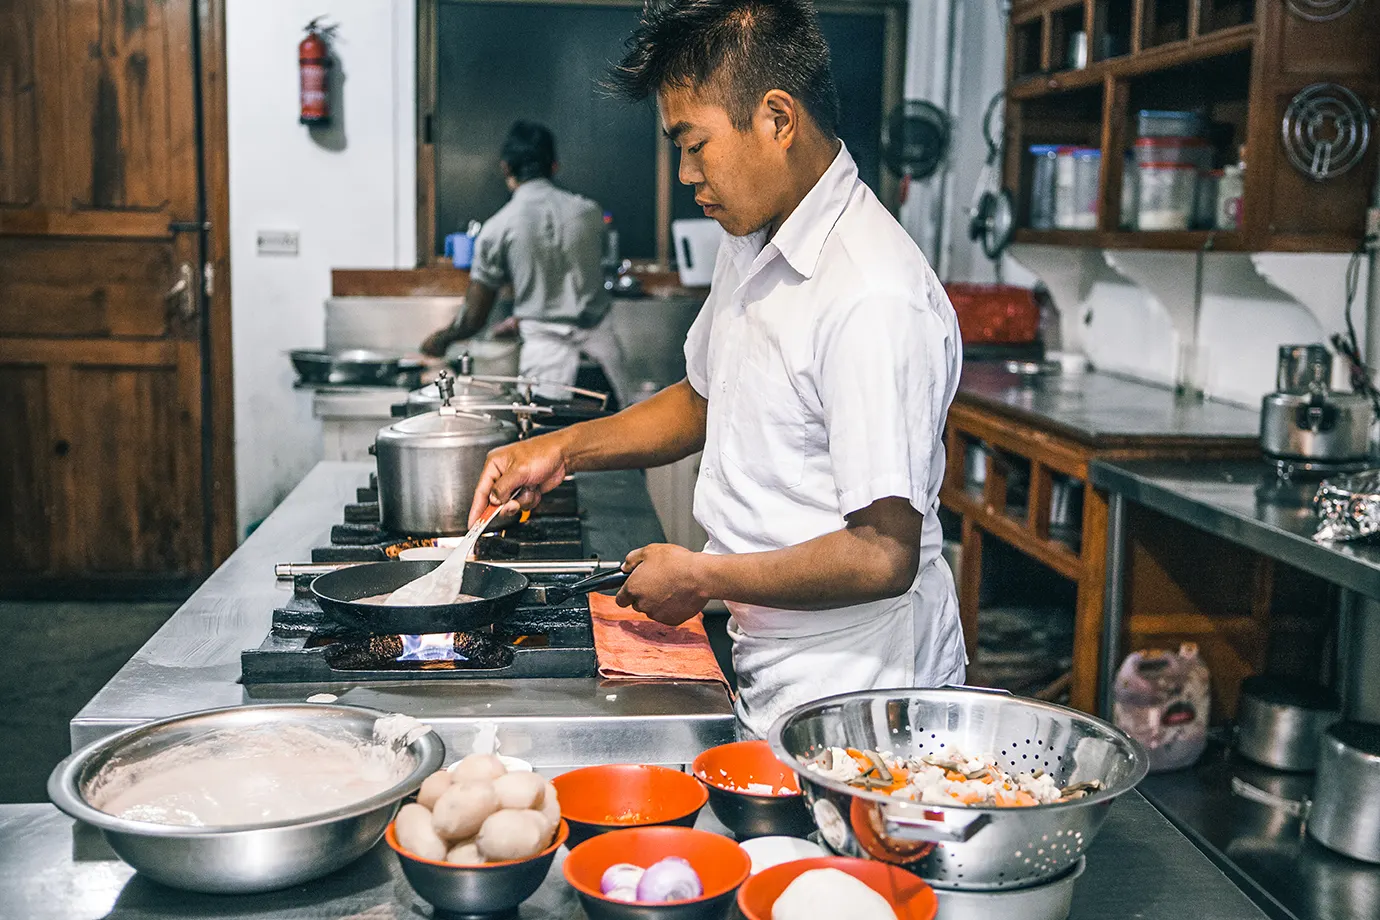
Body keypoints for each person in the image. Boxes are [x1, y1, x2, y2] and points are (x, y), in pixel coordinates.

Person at [467, 0, 966, 738]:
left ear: (776, 118)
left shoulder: (872, 295)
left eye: (695, 145)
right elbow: (705, 399)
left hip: (862, 696)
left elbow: (882, 554)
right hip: (774, 657)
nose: (686, 172)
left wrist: (703, 578)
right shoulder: (757, 235)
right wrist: (562, 449)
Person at [420, 121, 630, 404]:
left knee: (550, 439)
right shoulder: (590, 213)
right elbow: (580, 279)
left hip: (547, 367)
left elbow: (473, 319)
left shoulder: (498, 228)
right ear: (554, 166)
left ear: (506, 167)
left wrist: (441, 339)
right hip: (603, 357)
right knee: (613, 435)